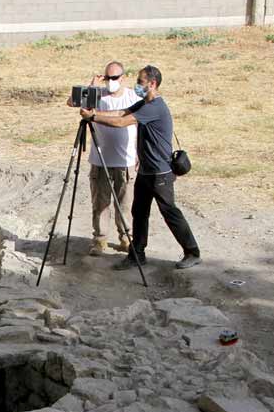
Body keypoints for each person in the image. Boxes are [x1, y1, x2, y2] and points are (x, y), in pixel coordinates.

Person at [80, 65, 202, 270]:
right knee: (139, 212)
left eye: (141, 82)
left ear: (152, 84)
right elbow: (120, 112)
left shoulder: (155, 107)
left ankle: (192, 251)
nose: (138, 85)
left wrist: (93, 118)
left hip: (160, 172)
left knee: (169, 212)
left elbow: (122, 122)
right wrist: (95, 111)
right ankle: (137, 253)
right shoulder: (143, 103)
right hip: (146, 171)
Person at [70, 61, 140, 255]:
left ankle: (126, 238)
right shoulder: (98, 95)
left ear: (123, 77)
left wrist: (140, 153)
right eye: (107, 78)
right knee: (100, 204)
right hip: (100, 161)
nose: (111, 82)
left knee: (124, 204)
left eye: (115, 78)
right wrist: (91, 87)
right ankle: (100, 240)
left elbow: (141, 123)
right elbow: (73, 101)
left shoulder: (133, 97)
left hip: (125, 160)